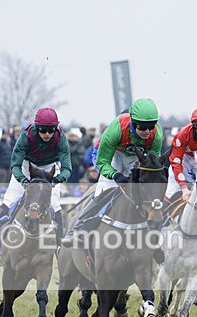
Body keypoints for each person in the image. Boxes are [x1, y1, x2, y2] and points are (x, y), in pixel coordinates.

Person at [61, 98, 163, 247]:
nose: (147, 131)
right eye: (142, 127)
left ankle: (155, 236)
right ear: (133, 122)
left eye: (150, 127)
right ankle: (77, 229)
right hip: (112, 156)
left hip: (136, 156)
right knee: (105, 190)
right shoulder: (116, 129)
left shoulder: (157, 134)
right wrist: (115, 175)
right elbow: (102, 161)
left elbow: (153, 163)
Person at [0, 108, 71, 243]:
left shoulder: (60, 138)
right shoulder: (26, 136)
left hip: (49, 169)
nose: (47, 134)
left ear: (55, 129)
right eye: (43, 130)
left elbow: (67, 168)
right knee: (9, 200)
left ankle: (59, 245)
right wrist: (23, 180)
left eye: (50, 130)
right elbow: (15, 165)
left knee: (55, 205)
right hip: (27, 166)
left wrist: (56, 180)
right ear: (37, 128)